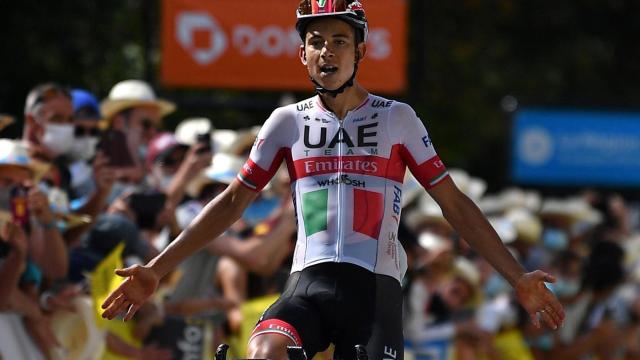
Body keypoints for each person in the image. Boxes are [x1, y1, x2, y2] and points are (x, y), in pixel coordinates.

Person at [101, 1, 564, 358]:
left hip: (376, 290)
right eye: (317, 41)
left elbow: (454, 204)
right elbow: (231, 202)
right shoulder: (285, 121)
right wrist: (157, 269)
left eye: (340, 40)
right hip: (308, 284)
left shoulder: (397, 119)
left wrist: (517, 276)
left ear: (361, 50)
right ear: (302, 54)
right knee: (265, 351)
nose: (328, 50)